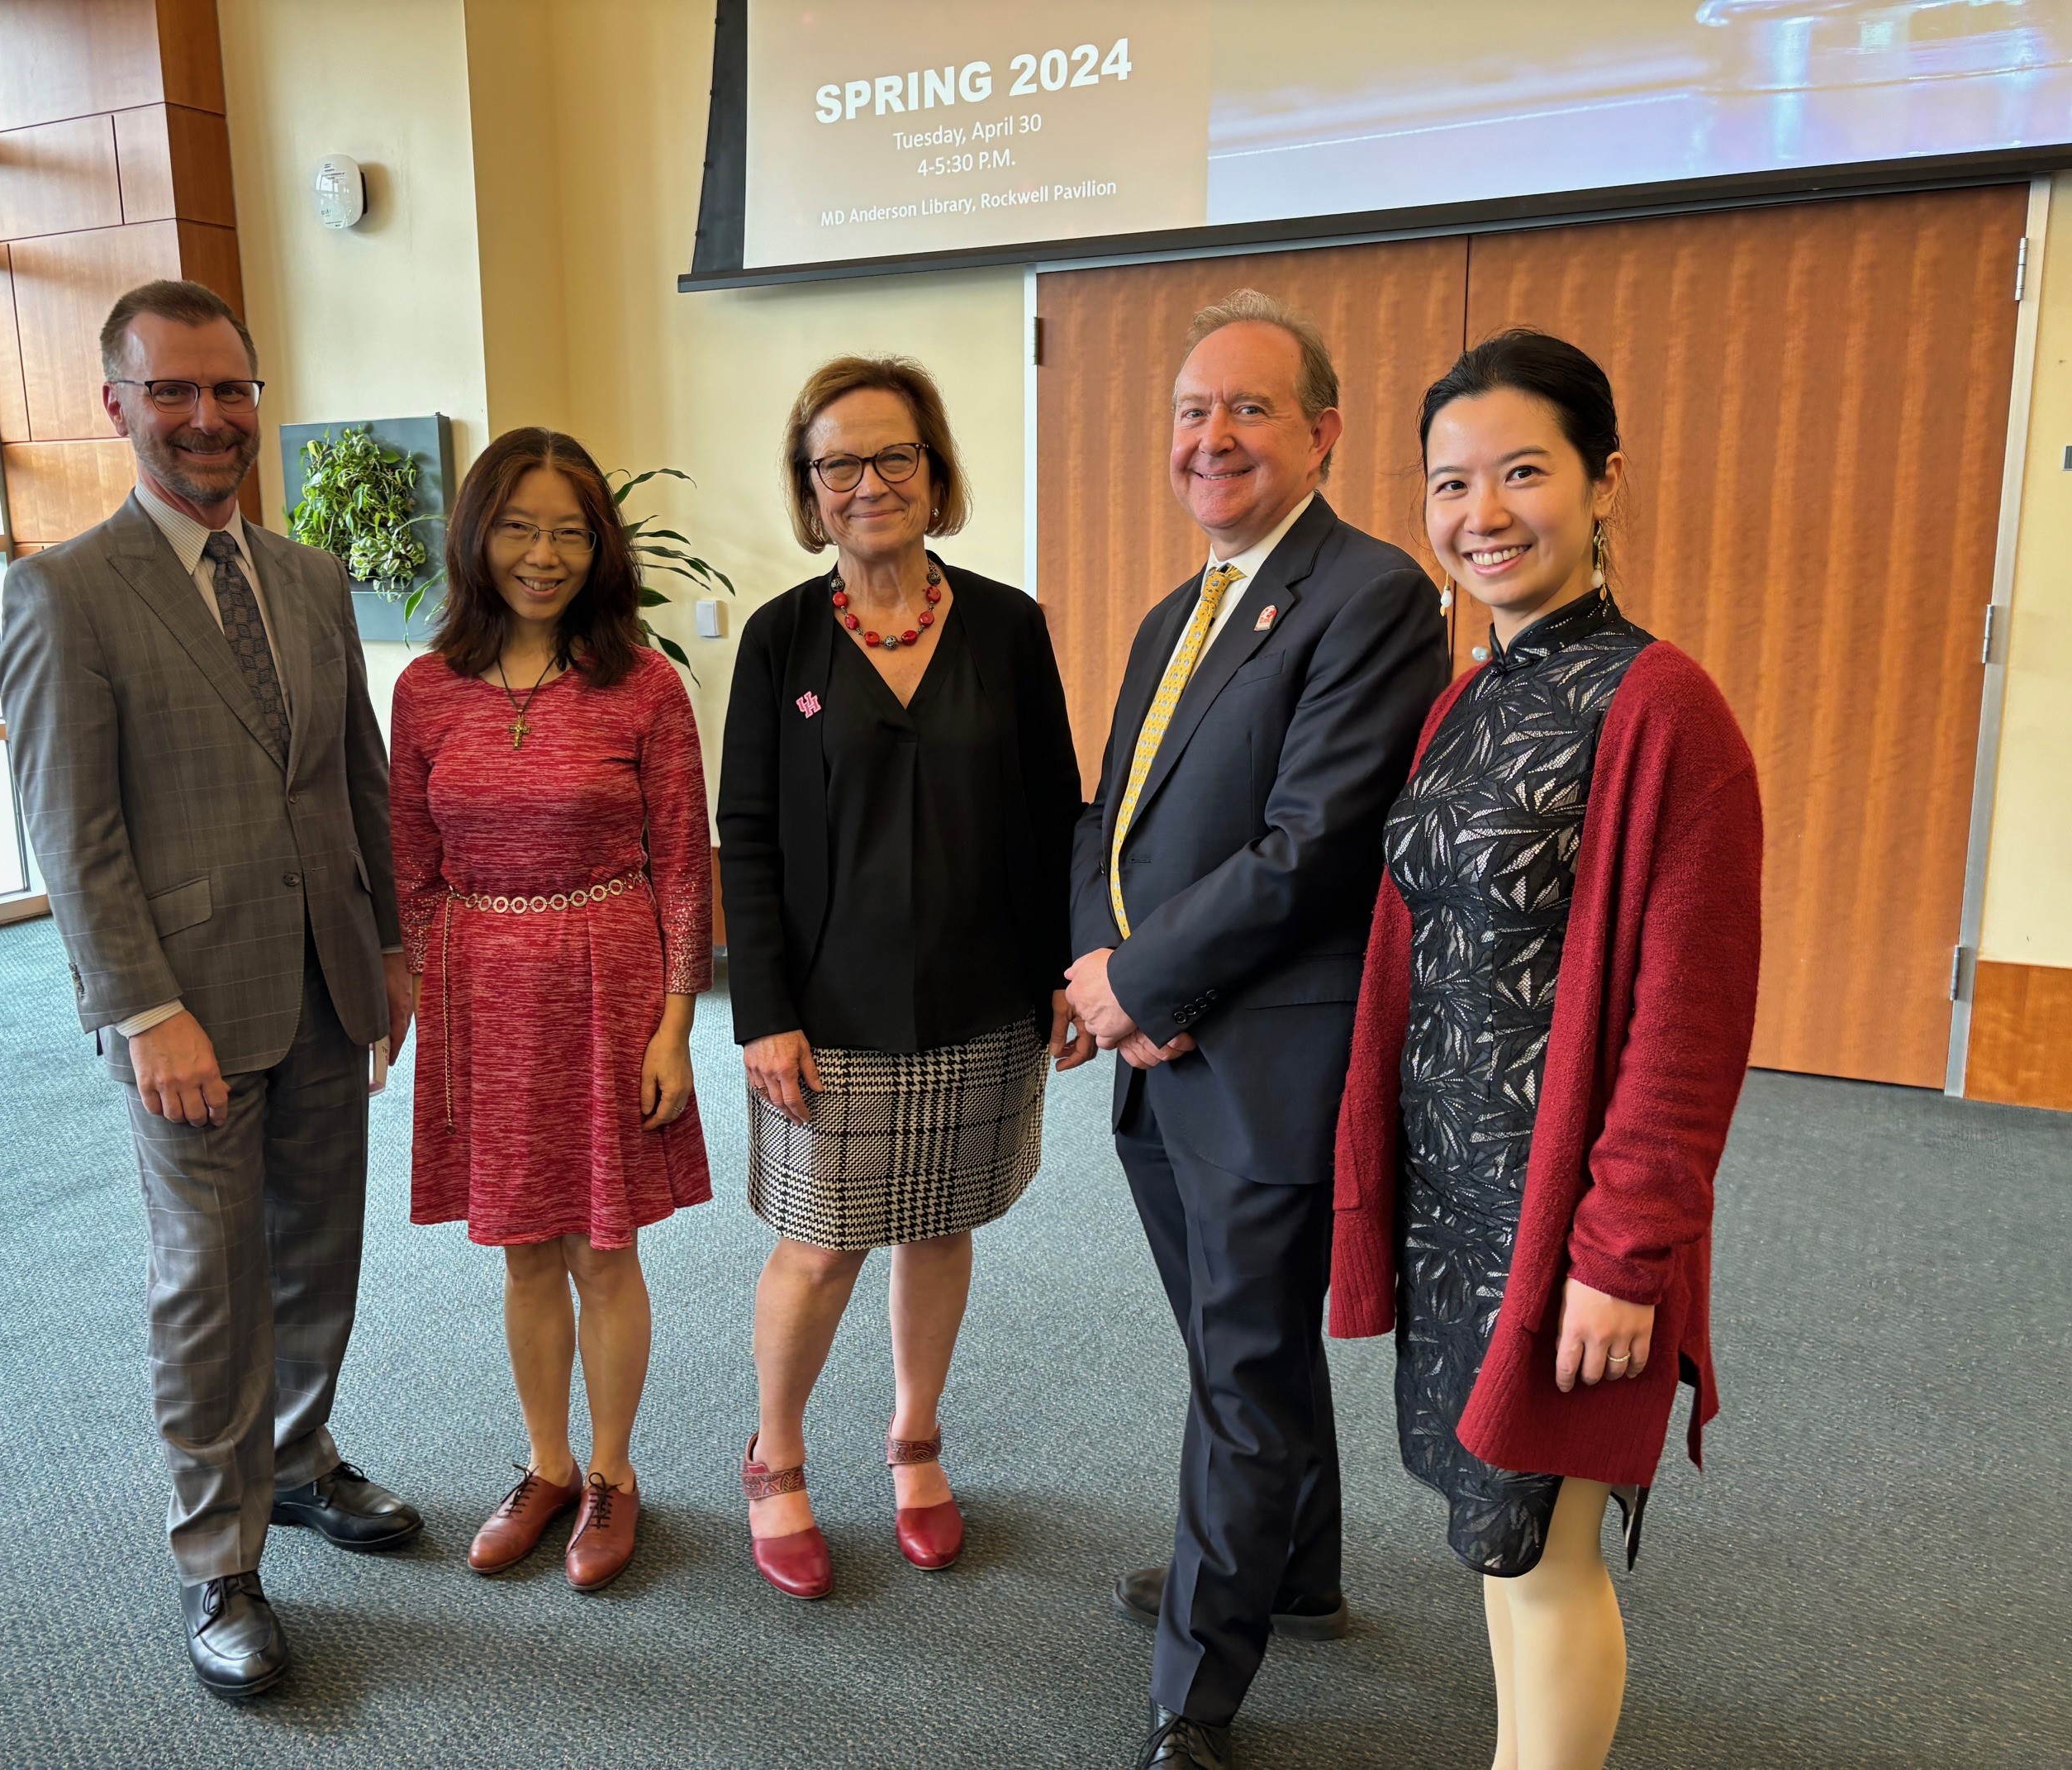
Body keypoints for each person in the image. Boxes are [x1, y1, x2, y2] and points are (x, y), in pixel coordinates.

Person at [1331, 330, 1761, 1769]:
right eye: (1451, 483)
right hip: (1460, 1198)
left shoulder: (1662, 707)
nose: (1483, 514)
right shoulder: (1466, 697)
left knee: (1549, 1548)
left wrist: (1624, 1251)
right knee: (1501, 1537)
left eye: (1523, 471)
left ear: (1604, 481)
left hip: (1566, 1216)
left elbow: (1690, 1025)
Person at [0, 279, 421, 1701]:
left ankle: (297, 1462)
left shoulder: (304, 576)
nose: (205, 418)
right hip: (180, 1007)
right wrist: (140, 1007)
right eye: (171, 391)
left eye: (228, 390)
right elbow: (74, 831)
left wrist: (394, 948)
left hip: (322, 980)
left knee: (318, 1253)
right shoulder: (63, 590)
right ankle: (215, 1557)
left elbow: (351, 774)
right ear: (117, 405)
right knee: (209, 1281)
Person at [1066, 290, 1450, 1769]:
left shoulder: (1373, 594)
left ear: (1323, 432)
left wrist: (1146, 986)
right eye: (1189, 410)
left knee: (1237, 1361)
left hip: (1264, 1054)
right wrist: (1100, 965)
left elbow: (1315, 846)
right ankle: (1294, 1566)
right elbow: (1114, 814)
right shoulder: (1183, 607)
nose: (1208, 437)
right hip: (1161, 1044)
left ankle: (1195, 1694)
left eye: (1246, 409)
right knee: (1241, 1345)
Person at [718, 355, 1091, 1601]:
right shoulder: (780, 641)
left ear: (934, 474)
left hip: (983, 993)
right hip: (829, 1013)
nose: (869, 482)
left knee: (941, 1220)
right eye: (840, 464)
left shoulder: (1008, 622)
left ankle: (915, 1437)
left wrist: (1062, 970)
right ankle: (776, 1453)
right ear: (810, 490)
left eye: (895, 457)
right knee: (819, 1247)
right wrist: (762, 1010)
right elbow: (751, 837)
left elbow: (1054, 812)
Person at [388, 426, 712, 1594]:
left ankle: (616, 1474)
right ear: (478, 534)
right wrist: (431, 1012)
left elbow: (683, 865)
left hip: (610, 980)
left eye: (572, 531)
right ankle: (547, 1463)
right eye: (521, 526)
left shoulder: (645, 683)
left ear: (602, 547)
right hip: (484, 988)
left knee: (603, 1246)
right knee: (524, 1250)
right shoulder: (423, 690)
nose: (545, 553)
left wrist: (676, 1022)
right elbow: (411, 867)